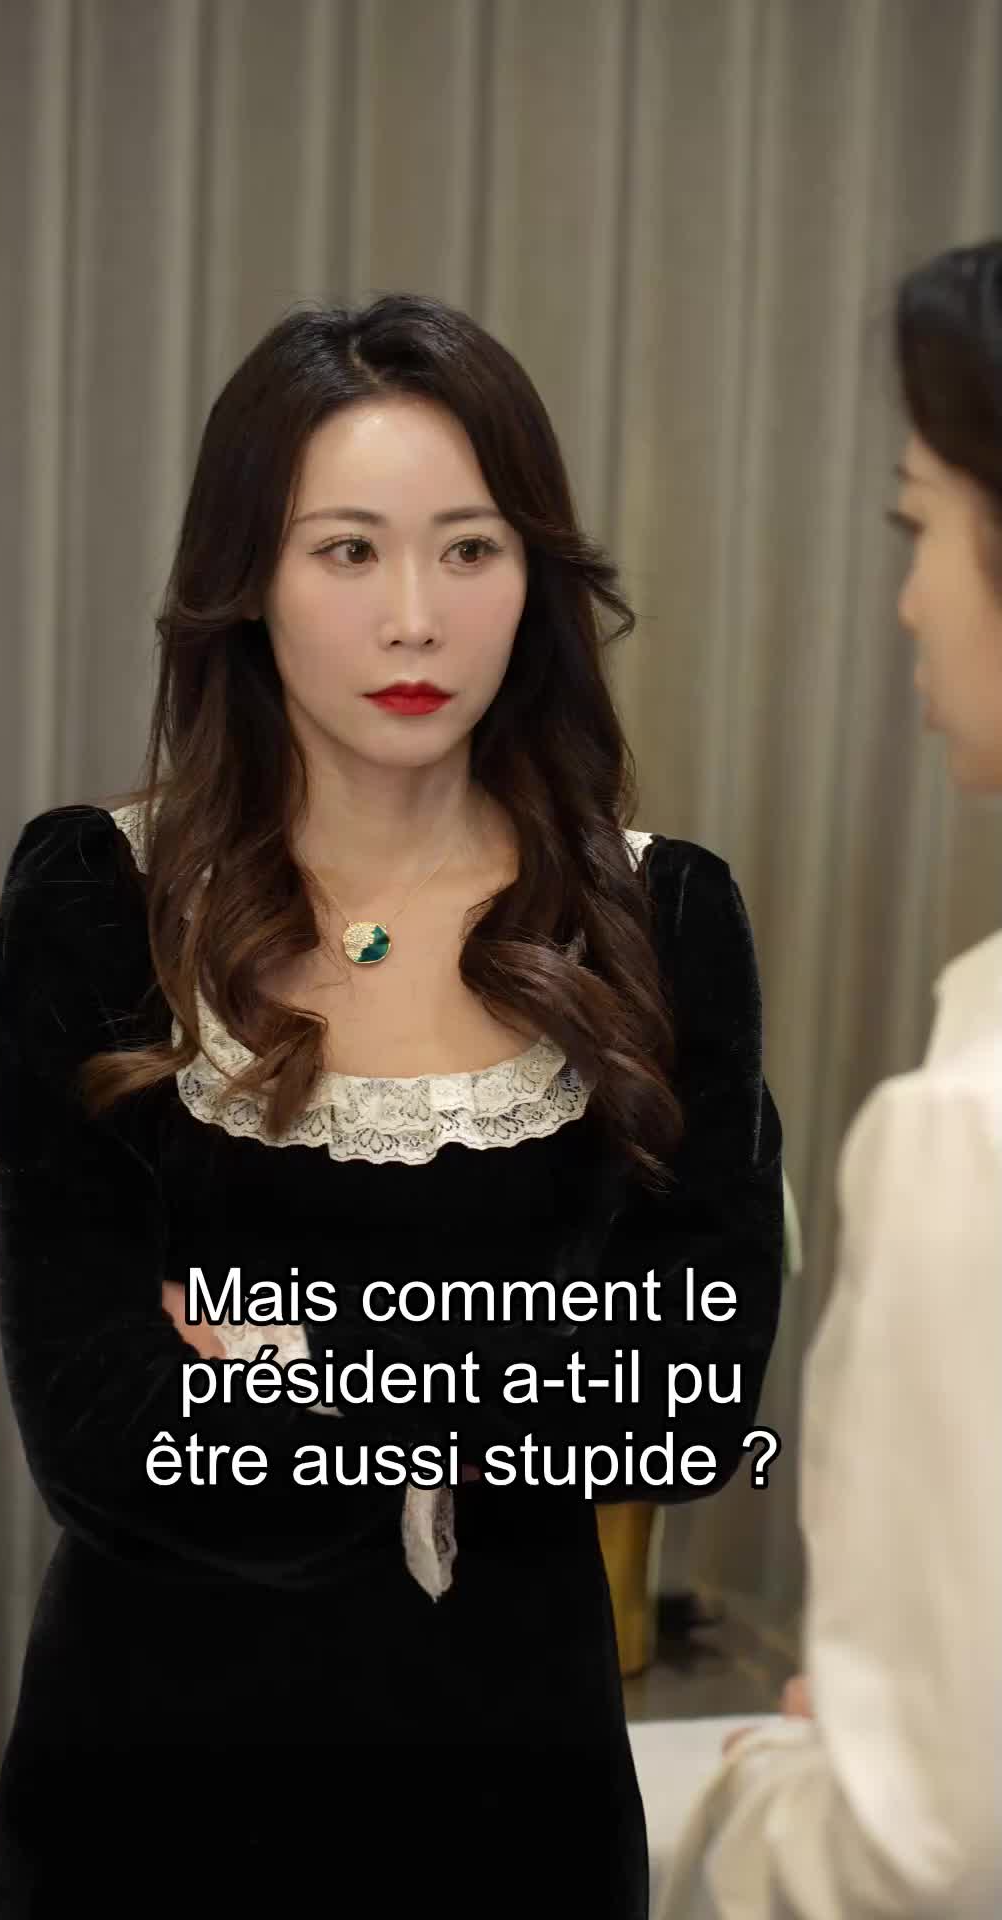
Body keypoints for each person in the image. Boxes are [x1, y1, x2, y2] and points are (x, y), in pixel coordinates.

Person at [0, 293, 784, 1918]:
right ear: (248, 580)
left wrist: (301, 1367)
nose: (415, 621)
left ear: (534, 580)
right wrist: (512, 1380)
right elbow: (98, 1430)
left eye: (469, 550)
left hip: (519, 1793)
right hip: (149, 1791)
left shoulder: (664, 915)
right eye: (348, 552)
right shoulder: (96, 897)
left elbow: (688, 1397)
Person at [656, 240, 1002, 1918]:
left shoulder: (968, 1135)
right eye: (348, 550)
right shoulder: (100, 893)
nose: (909, 598)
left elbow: (928, 1851)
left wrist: (776, 1787)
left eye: (916, 523)